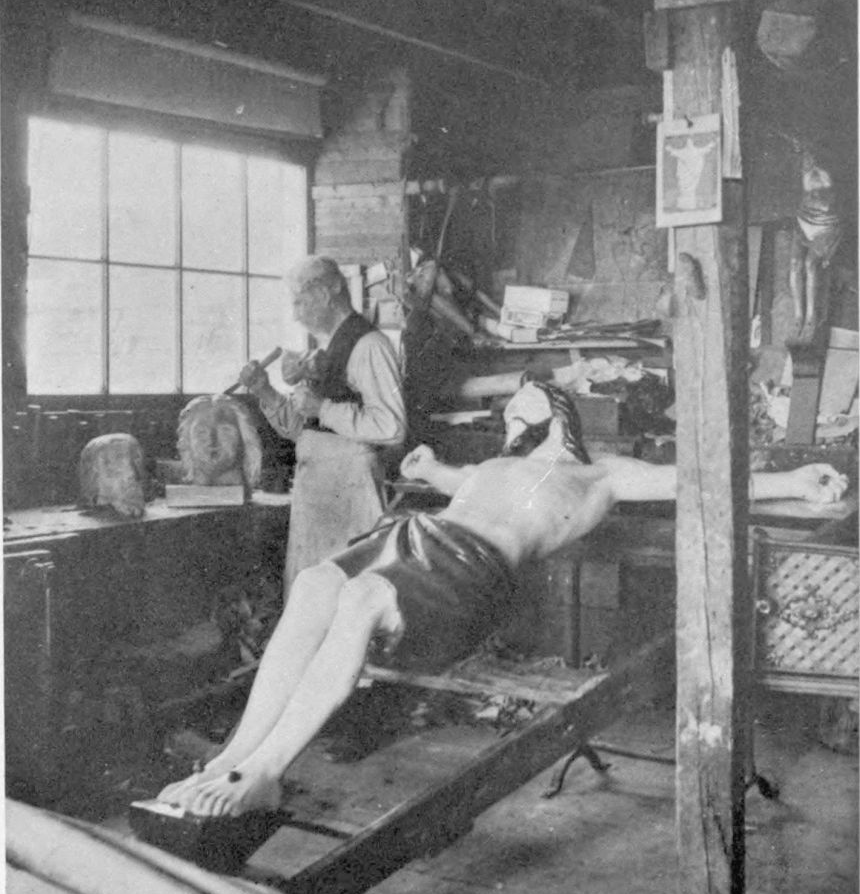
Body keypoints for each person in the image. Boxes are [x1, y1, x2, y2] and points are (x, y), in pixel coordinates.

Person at [158, 381, 848, 818]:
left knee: (363, 597)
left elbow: (700, 480)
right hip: (415, 534)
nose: (515, 409)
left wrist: (793, 483)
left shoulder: (601, 474)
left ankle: (267, 771)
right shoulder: (494, 464)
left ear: (559, 411)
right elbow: (452, 480)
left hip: (470, 571)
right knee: (315, 584)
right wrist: (429, 468)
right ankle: (233, 757)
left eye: (527, 400)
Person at [240, 256, 406, 591]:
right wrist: (264, 390)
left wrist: (323, 408)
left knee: (348, 591)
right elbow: (302, 430)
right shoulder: (323, 351)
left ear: (326, 293)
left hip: (350, 488)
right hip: (317, 489)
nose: (295, 314)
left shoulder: (370, 345)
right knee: (310, 592)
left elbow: (391, 426)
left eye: (299, 301)